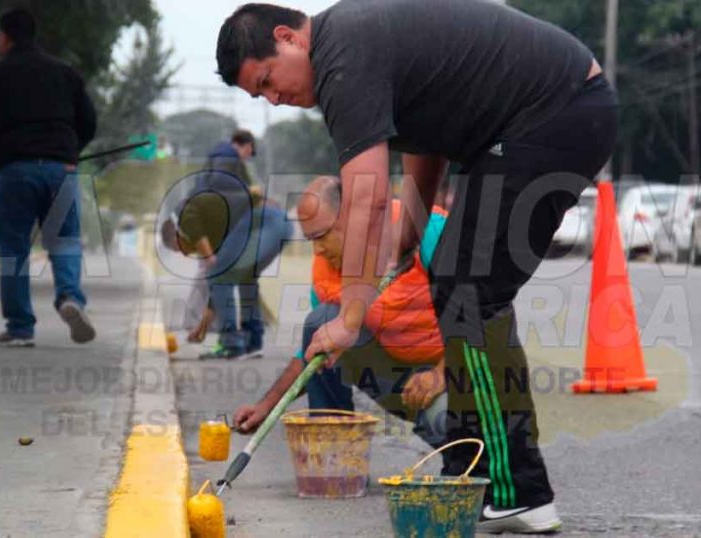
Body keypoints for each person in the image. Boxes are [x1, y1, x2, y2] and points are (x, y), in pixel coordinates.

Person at [217, 1, 617, 533]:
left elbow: (365, 198)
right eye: (259, 96)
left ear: (290, 38)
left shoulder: (342, 55)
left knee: (470, 289)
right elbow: (428, 142)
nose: (275, 99)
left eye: (267, 81)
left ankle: (515, 487)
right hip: (536, 121)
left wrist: (351, 316)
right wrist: (413, 229)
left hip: (556, 111)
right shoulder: (354, 49)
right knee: (458, 279)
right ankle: (473, 471)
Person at [234, 176, 450, 448]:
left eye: (321, 236)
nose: (318, 250)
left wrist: (441, 375)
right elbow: (312, 356)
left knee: (443, 420)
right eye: (310, 239)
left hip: (455, 371)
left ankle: (472, 466)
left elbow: (482, 316)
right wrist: (266, 406)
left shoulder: (426, 230)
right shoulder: (325, 269)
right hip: (395, 380)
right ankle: (333, 454)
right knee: (322, 322)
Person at [0, 8, 97, 347]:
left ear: (4, 37)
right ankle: (70, 298)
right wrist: (69, 153)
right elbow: (88, 120)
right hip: (61, 170)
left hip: (16, 169)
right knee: (65, 240)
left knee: (13, 249)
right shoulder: (65, 74)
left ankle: (21, 328)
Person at [162, 132, 291, 359]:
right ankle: (252, 342)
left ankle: (232, 344)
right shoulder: (216, 228)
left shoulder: (184, 213)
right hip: (279, 223)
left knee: (221, 275)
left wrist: (210, 257)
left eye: (178, 248)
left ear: (176, 235)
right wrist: (202, 328)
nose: (184, 253)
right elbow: (217, 290)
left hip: (265, 222)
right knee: (242, 279)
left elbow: (213, 266)